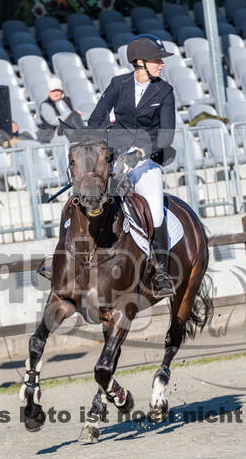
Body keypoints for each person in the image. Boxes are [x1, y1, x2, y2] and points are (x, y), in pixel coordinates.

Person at [87, 35, 176, 298]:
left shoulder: (165, 91)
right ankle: (68, 256)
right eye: (156, 60)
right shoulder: (118, 84)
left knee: (155, 212)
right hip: (116, 154)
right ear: (139, 62)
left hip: (146, 160)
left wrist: (143, 151)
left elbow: (167, 134)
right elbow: (97, 118)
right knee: (90, 193)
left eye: (160, 60)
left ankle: (161, 271)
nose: (161, 64)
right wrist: (98, 147)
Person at [37, 76, 84, 143]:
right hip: (53, 133)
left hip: (67, 129)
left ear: (62, 91)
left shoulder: (66, 101)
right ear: (49, 92)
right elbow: (54, 121)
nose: (56, 93)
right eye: (53, 91)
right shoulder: (45, 105)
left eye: (58, 90)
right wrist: (71, 115)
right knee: (74, 115)